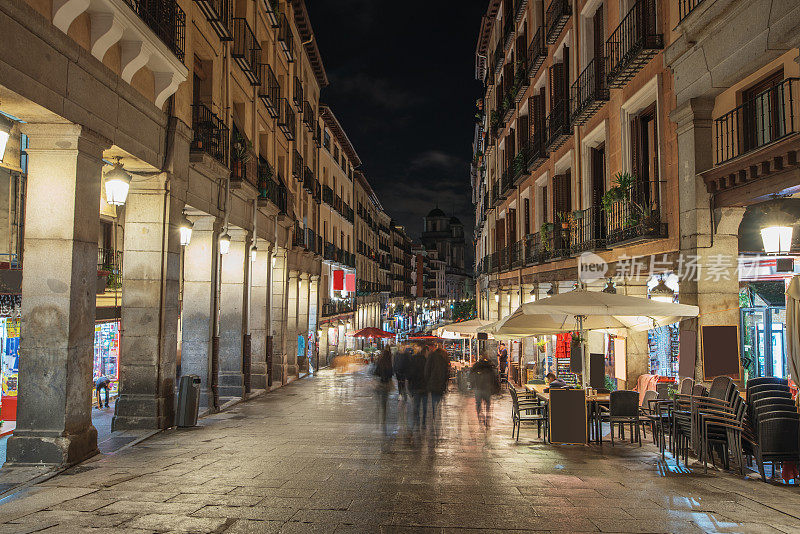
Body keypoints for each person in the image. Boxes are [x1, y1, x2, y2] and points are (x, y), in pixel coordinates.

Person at [470, 353, 499, 427]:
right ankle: (487, 417)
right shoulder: (490, 366)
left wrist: (472, 384)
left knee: (478, 404)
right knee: (488, 404)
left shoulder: (477, 365)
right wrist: (496, 388)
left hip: (478, 387)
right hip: (487, 388)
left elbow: (471, 374)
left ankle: (480, 416)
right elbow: (494, 377)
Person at [406, 344, 429, 432]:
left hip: (416, 386)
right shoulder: (426, 360)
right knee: (424, 406)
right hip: (424, 386)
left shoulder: (413, 360)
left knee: (417, 405)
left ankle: (417, 420)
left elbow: (410, 374)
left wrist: (410, 386)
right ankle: (423, 422)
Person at [425, 347, 450, 426]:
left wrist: (428, 381)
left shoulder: (431, 357)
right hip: (441, 384)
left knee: (433, 400)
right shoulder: (444, 359)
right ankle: (437, 416)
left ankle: (433, 415)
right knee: (438, 399)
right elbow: (446, 373)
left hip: (432, 383)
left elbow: (427, 370)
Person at [373, 347, 394, 435]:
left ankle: (380, 416)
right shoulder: (389, 363)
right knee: (384, 401)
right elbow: (391, 374)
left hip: (380, 384)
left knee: (380, 401)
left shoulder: (380, 362)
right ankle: (384, 416)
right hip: (386, 385)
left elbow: (375, 372)